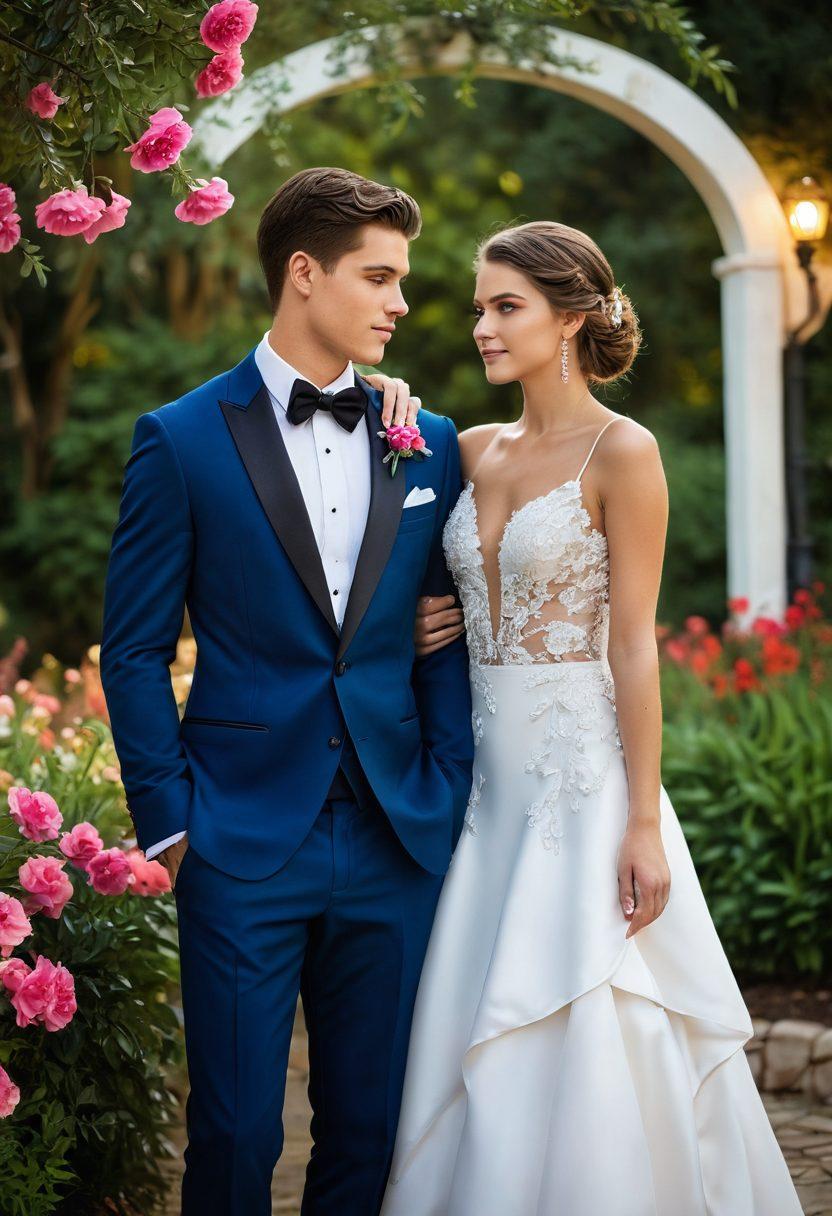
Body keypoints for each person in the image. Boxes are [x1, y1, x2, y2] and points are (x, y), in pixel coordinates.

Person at [377, 221, 803, 1215]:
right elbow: (387, 571)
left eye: (504, 306)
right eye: (479, 305)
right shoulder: (465, 447)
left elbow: (632, 646)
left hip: (580, 776)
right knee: (473, 1002)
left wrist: (643, 821)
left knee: (588, 1002)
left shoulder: (624, 450)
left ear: (569, 317)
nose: (480, 324)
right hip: (477, 781)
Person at [99, 166, 474, 1216]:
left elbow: (444, 632)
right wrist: (170, 825)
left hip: (395, 833)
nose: (399, 302)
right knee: (233, 1131)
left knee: (367, 1132)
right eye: (379, 276)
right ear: (303, 274)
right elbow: (129, 649)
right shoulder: (176, 438)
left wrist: (442, 787)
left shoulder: (428, 440)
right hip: (238, 837)